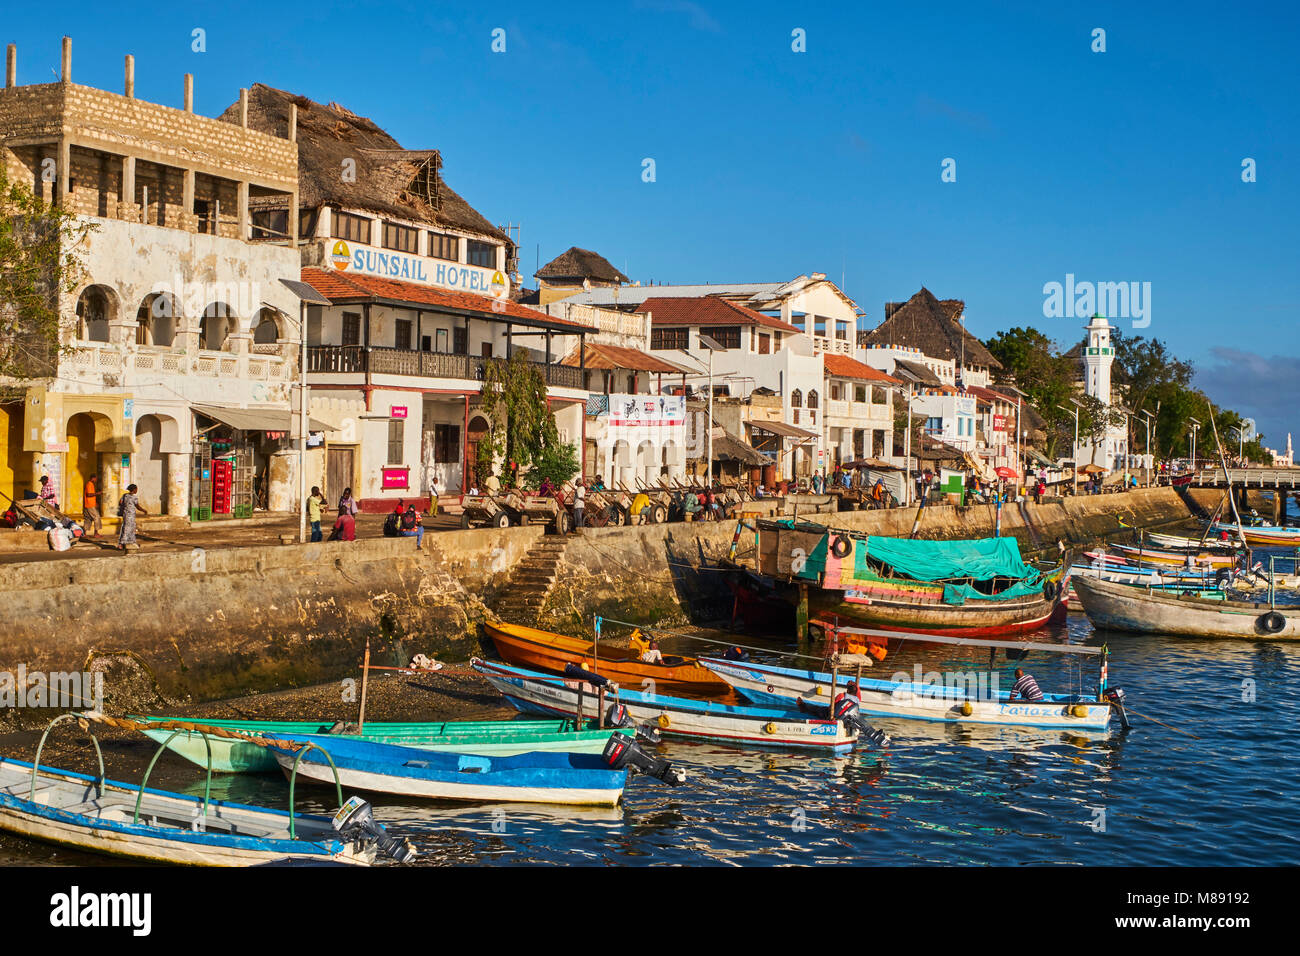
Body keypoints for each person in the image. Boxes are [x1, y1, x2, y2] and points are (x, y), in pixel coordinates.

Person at [117, 483, 147, 551]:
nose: (137, 490)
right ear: (134, 490)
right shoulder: (134, 497)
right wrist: (144, 510)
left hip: (125, 514)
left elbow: (120, 502)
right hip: (130, 515)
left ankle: (131, 542)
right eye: (136, 489)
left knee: (126, 527)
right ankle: (121, 544)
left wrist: (125, 506)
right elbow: (137, 506)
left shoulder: (124, 495)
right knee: (128, 528)